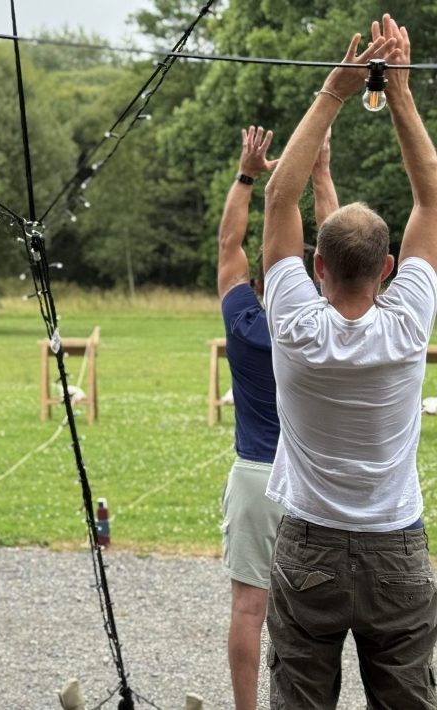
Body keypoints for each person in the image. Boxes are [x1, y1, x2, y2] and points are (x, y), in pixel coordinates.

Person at [261, 16, 437, 707]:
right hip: (396, 547)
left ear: (316, 268)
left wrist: (332, 93)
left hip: (309, 545)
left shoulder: (298, 326)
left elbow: (279, 198)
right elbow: (431, 195)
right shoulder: (407, 323)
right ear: (388, 268)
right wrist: (399, 92)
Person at [216, 125, 337, 709]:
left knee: (248, 607)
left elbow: (228, 247)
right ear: (309, 278)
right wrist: (319, 173)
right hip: (313, 482)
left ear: (263, 284)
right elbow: (335, 251)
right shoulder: (319, 327)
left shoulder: (243, 323)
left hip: (255, 479)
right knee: (315, 614)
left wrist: (246, 174)